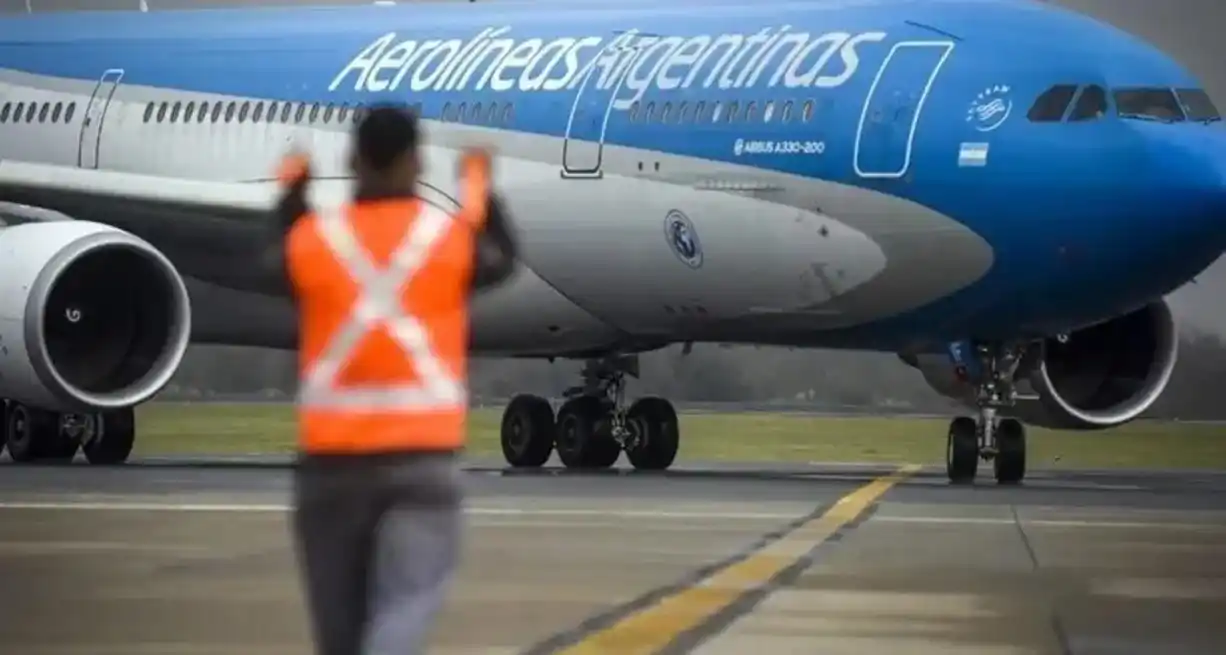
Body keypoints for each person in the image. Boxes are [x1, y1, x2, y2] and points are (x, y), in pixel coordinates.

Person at [261, 103, 518, 655]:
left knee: (338, 633)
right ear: (417, 162)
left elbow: (273, 261)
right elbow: (502, 258)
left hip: (331, 468)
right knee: (404, 607)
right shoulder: (444, 238)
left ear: (352, 160)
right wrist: (481, 189)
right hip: (422, 463)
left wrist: (292, 195)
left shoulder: (316, 237)